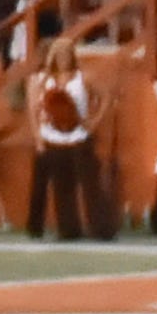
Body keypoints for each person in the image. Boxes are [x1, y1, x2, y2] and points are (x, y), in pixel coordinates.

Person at [28, 39, 106, 240]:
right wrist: (38, 136)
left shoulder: (83, 77)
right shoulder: (44, 80)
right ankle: (69, 229)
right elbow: (35, 109)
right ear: (53, 57)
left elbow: (104, 97)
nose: (63, 58)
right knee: (62, 188)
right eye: (59, 54)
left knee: (91, 185)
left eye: (67, 54)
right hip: (52, 138)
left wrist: (93, 122)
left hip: (79, 137)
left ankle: (100, 229)